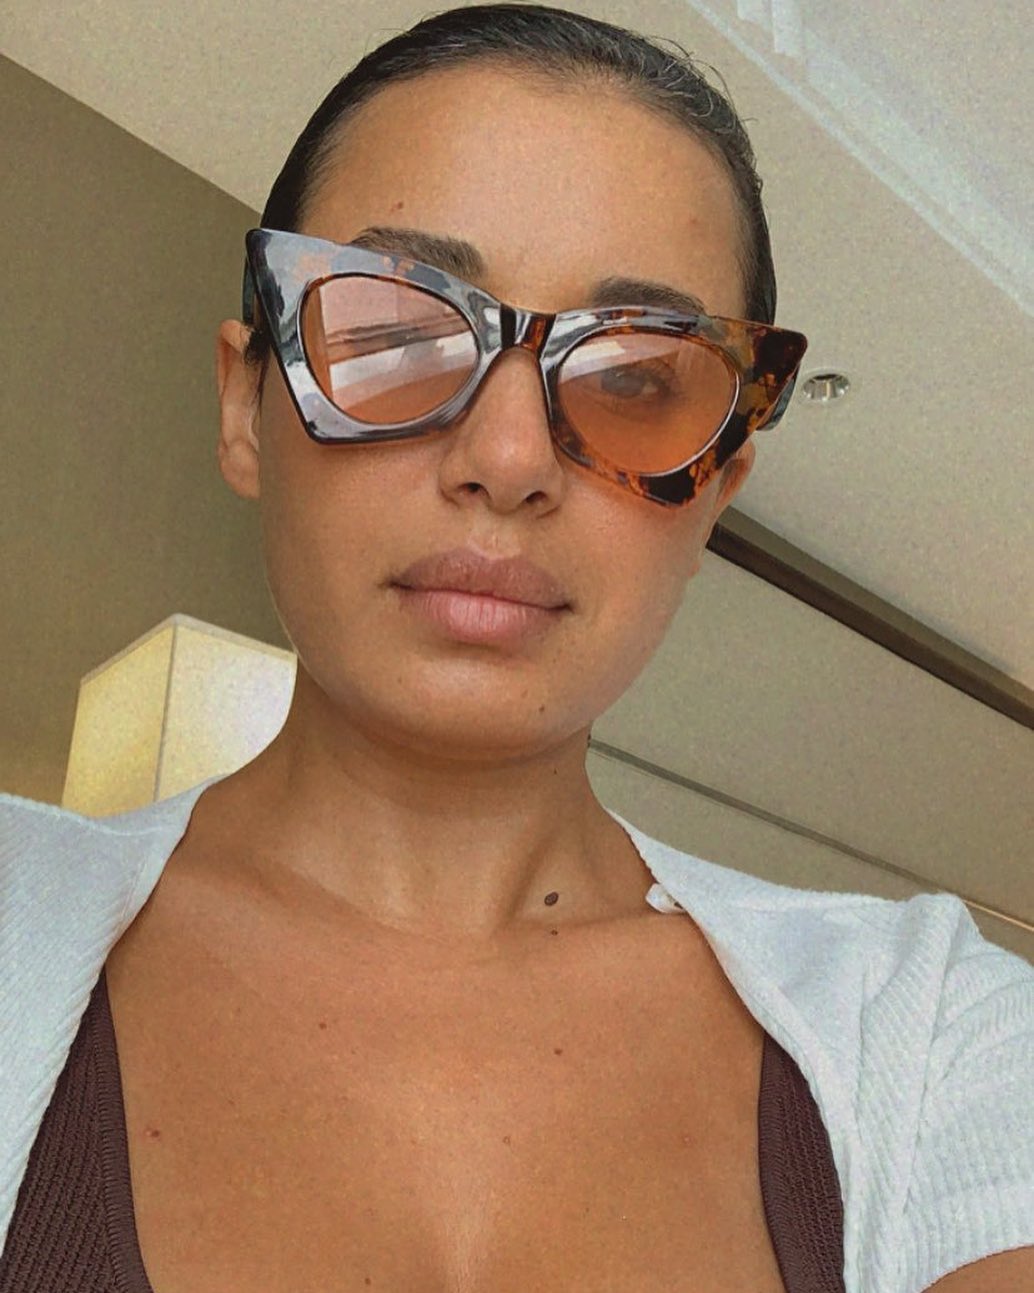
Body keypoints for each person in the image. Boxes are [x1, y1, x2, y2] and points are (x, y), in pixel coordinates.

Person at [0, 5, 1031, 1292]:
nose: (506, 460)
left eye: (634, 375)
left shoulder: (930, 1032)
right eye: (392, 333)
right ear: (247, 405)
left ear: (716, 486)